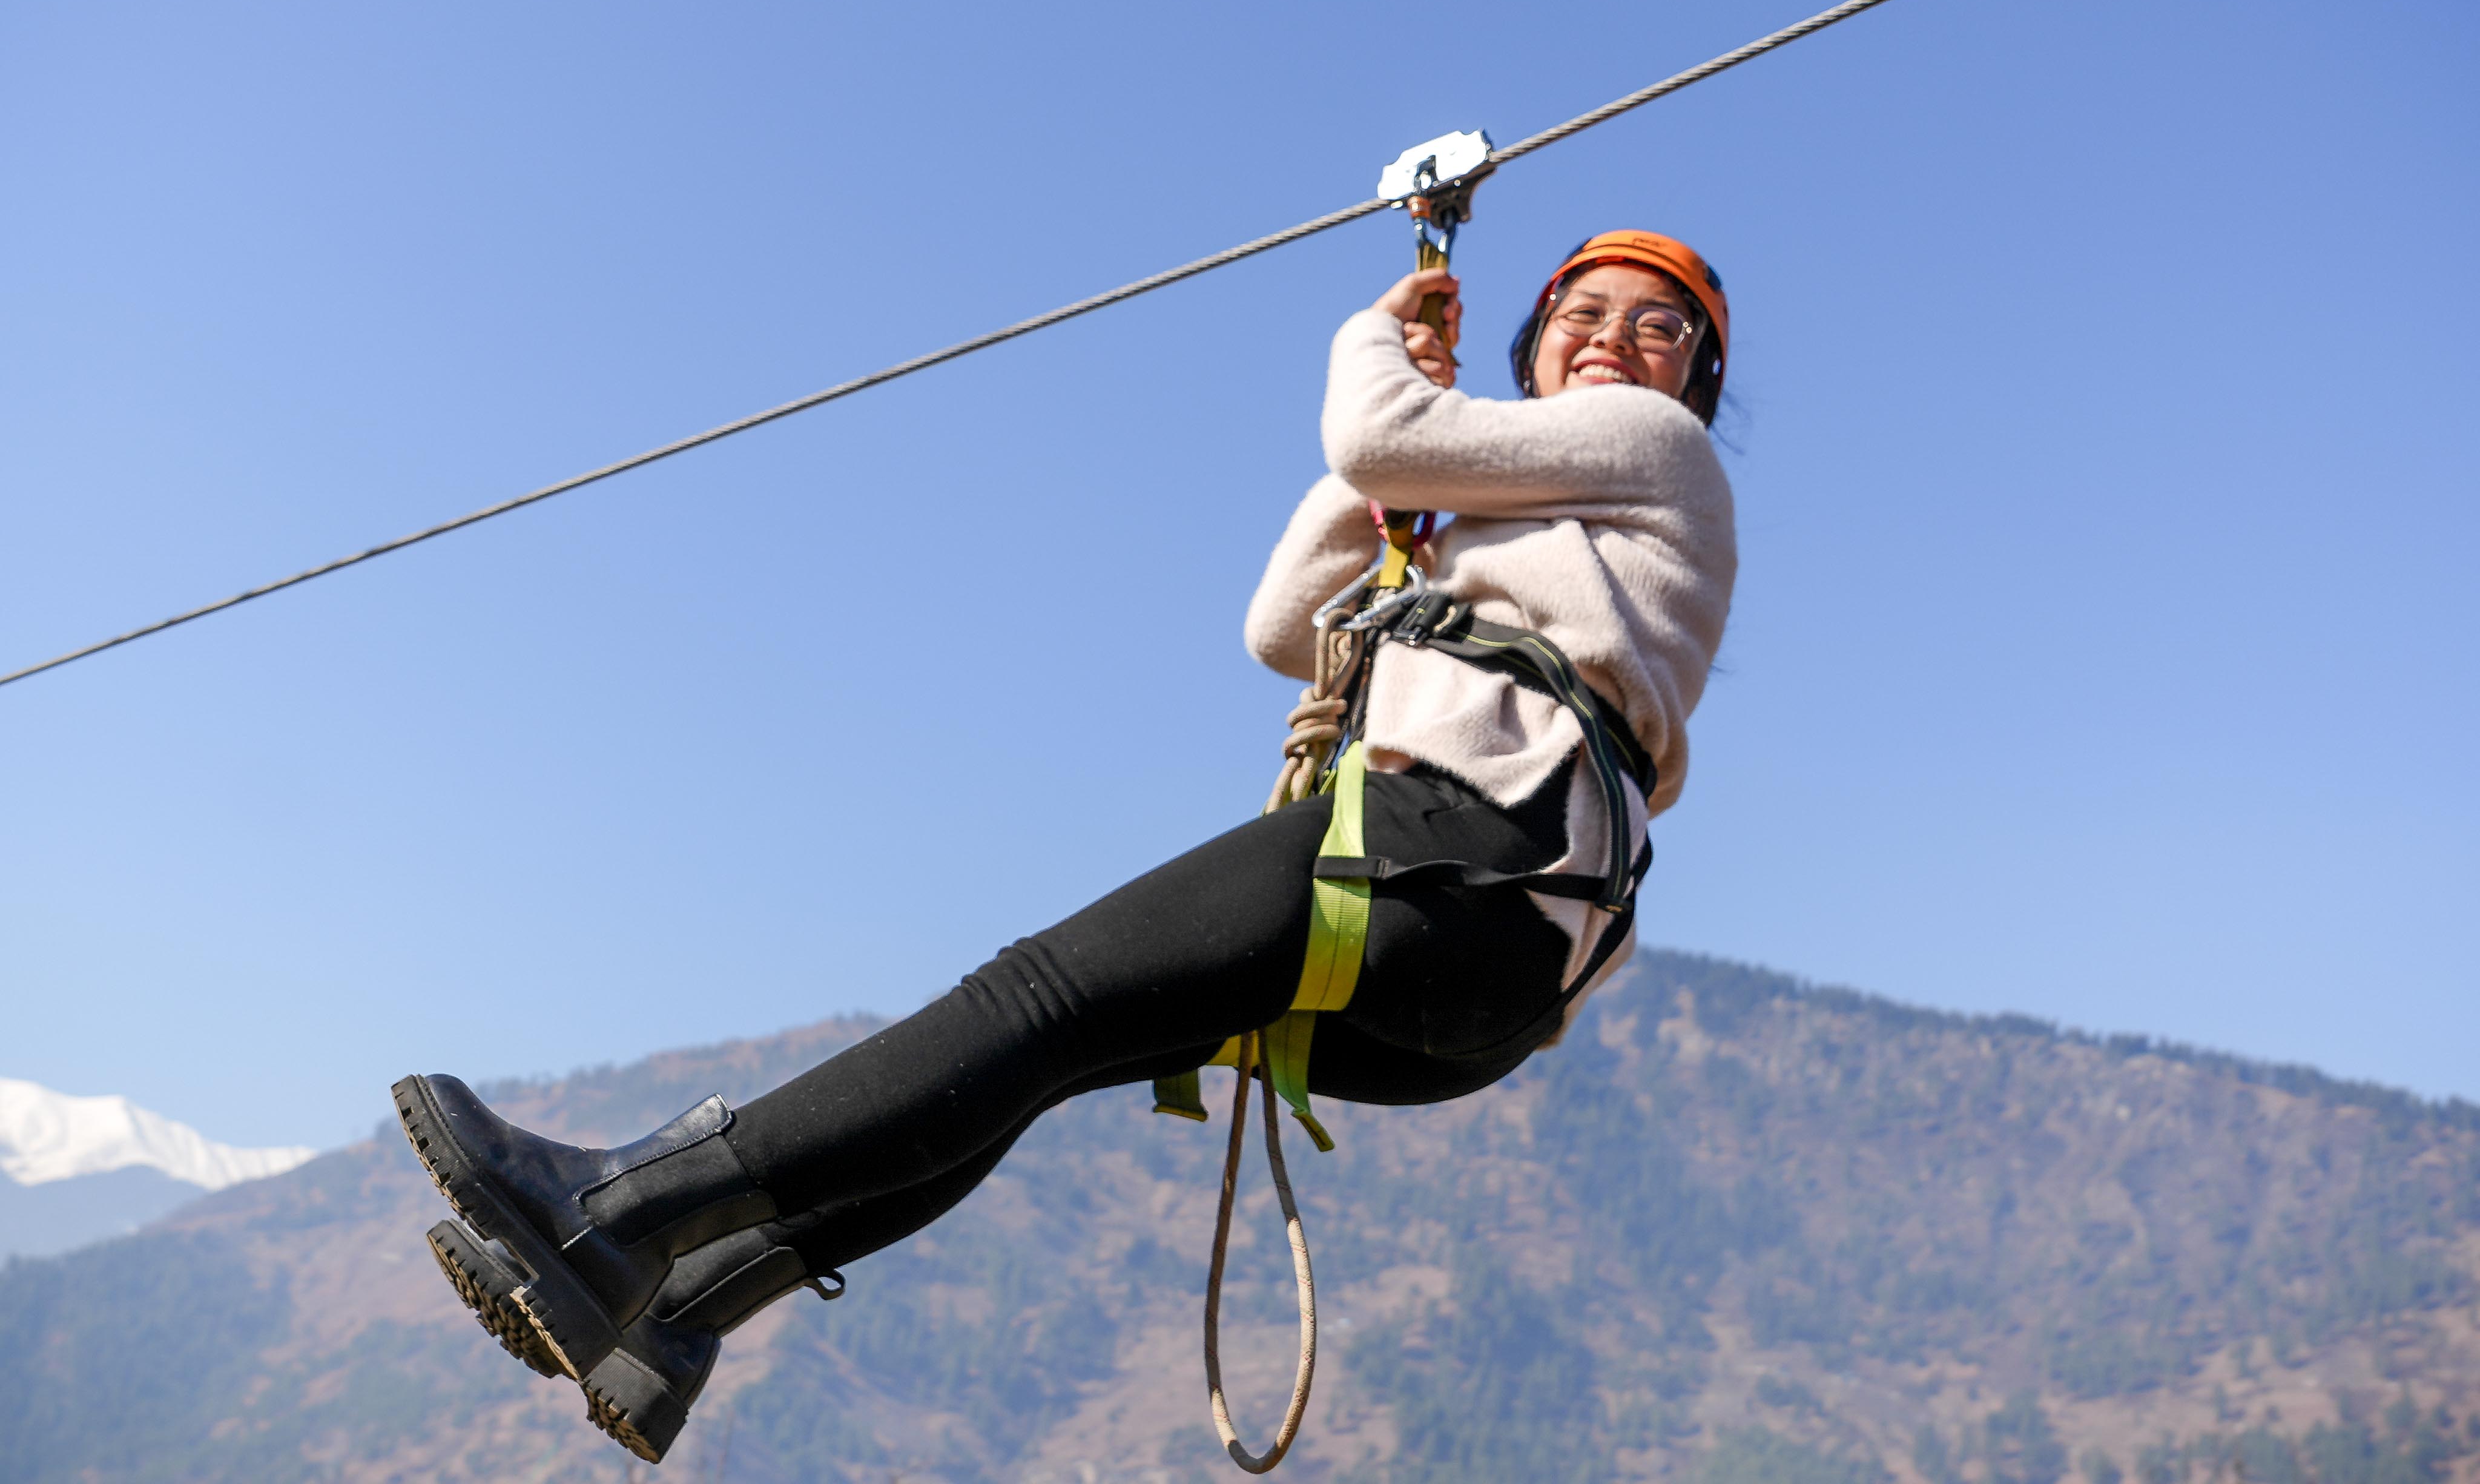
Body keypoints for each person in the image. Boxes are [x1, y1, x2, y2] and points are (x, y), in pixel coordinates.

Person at [395, 229, 1738, 1463]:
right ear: (1531, 349)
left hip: (1452, 856)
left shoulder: (1654, 448)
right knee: (1047, 1051)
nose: (1615, 340)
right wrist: (1400, 497)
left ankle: (606, 1216)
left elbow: (1376, 426)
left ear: (1690, 380)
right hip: (1479, 965)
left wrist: (1379, 338)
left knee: (1030, 999)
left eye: (1657, 328)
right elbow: (1285, 626)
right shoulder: (1520, 538)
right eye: (1581, 312)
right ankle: (679, 1315)